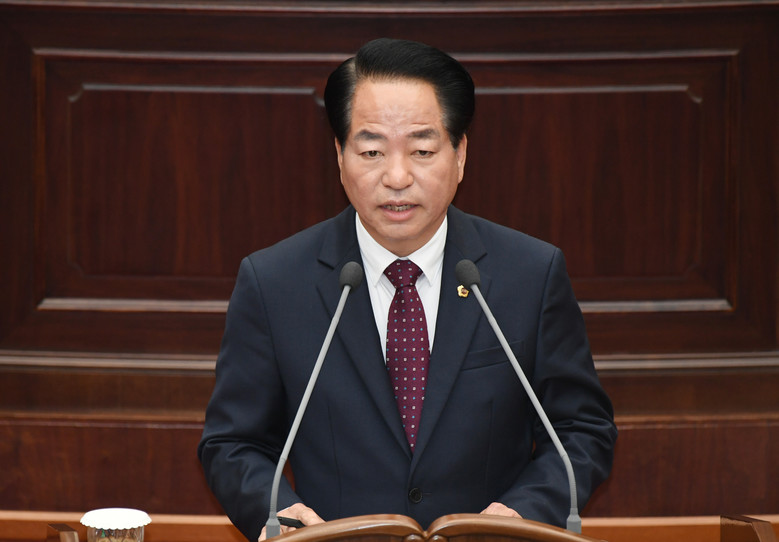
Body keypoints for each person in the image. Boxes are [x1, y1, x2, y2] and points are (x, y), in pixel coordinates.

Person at [198, 38, 617, 541]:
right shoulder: (274, 283)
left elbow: (581, 430)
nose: (397, 177)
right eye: (372, 151)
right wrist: (283, 519)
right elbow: (232, 444)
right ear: (340, 156)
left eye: (422, 150)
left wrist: (518, 516)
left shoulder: (530, 273)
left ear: (460, 155)